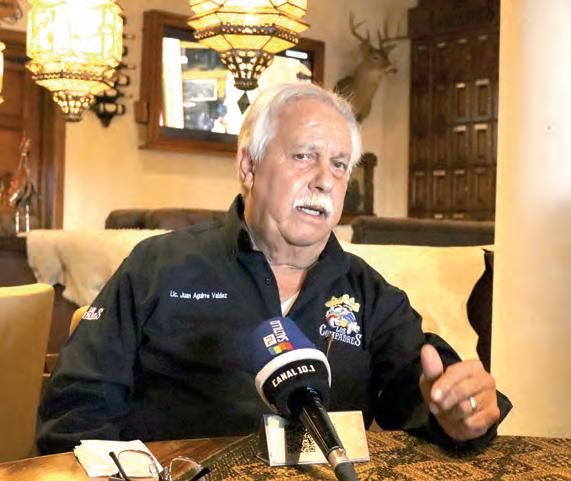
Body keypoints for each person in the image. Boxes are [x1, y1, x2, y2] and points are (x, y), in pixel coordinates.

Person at [37, 83, 511, 454]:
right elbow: (75, 411)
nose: (324, 180)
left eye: (340, 165)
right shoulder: (159, 266)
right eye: (304, 156)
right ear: (249, 167)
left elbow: (428, 399)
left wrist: (461, 413)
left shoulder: (368, 293)